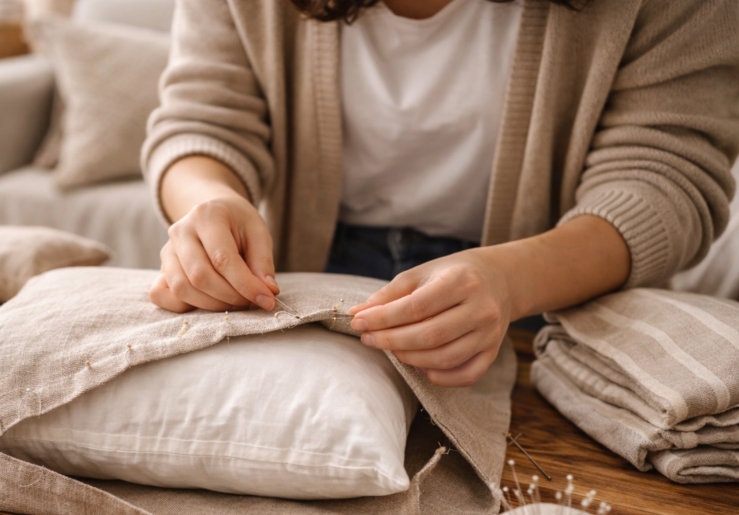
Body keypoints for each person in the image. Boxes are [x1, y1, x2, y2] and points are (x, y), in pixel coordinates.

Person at [141, 0, 739, 386]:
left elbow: (665, 177)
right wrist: (209, 201)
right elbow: (202, 121)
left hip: (556, 294)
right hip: (310, 278)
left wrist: (510, 281)